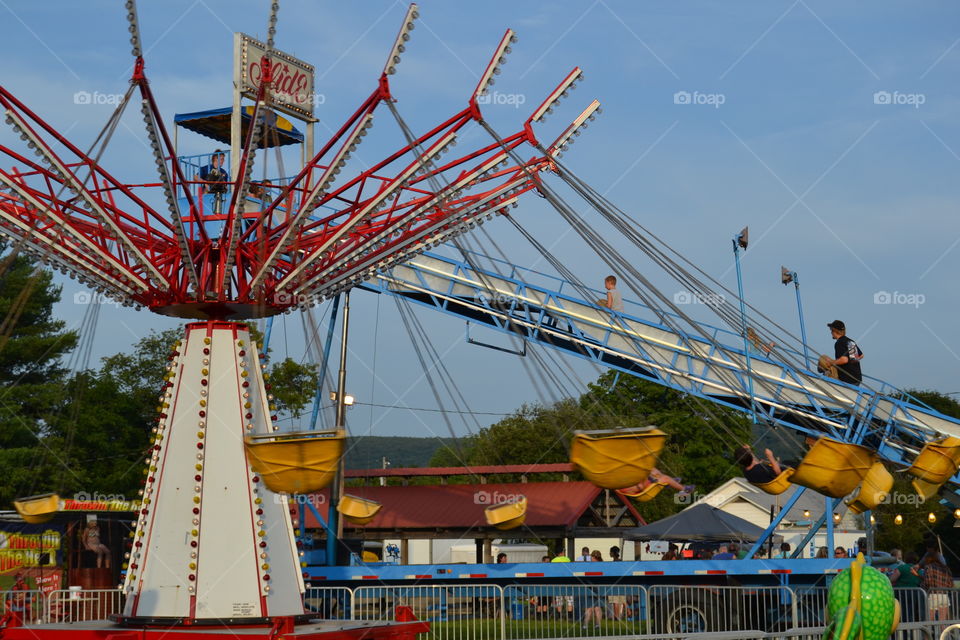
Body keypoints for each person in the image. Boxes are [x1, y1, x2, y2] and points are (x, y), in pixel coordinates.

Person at [917, 552, 953, 623]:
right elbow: (951, 584)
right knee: (943, 622)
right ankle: (944, 634)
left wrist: (922, 585)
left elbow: (928, 582)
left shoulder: (929, 567)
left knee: (929, 621)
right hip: (944, 596)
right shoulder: (946, 568)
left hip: (933, 594)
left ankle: (928, 634)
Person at [826, 320, 863, 385]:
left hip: (847, 379)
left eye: (831, 330)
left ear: (835, 331)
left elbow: (844, 360)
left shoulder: (839, 343)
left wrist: (831, 363)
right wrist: (852, 361)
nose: (831, 333)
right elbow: (861, 355)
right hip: (857, 378)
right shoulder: (850, 341)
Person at [889, 550, 921, 622]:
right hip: (915, 593)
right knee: (911, 613)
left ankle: (904, 632)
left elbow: (892, 579)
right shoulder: (918, 569)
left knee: (902, 612)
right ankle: (911, 630)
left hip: (901, 594)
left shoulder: (902, 568)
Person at [619, 467, 695, 496]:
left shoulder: (619, 482)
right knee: (665, 478)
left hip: (644, 482)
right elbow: (640, 487)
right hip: (645, 488)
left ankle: (670, 482)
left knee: (652, 469)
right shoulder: (622, 487)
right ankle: (685, 489)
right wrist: (646, 476)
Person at [199, 149, 229, 215]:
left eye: (223, 159)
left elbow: (226, 185)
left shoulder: (224, 172)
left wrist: (223, 182)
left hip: (219, 194)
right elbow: (195, 177)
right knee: (209, 180)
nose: (223, 161)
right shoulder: (206, 168)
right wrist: (205, 182)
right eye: (221, 159)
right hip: (207, 194)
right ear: (215, 158)